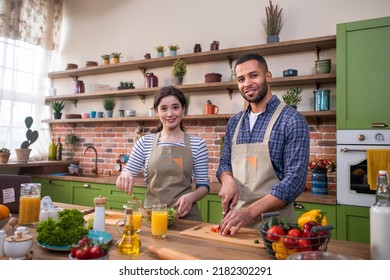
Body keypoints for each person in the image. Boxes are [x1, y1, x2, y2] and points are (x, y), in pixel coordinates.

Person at [217, 53, 310, 235]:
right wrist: (227, 180)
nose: (247, 83)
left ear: (268, 77)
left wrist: (250, 212)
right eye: (241, 79)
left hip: (276, 228)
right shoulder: (234, 123)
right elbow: (225, 163)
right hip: (235, 225)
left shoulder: (292, 120)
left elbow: (295, 181)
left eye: (253, 75)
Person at [116, 86, 209, 221]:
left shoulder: (198, 144)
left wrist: (192, 197)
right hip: (152, 216)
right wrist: (125, 175)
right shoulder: (144, 143)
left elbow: (203, 185)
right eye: (164, 108)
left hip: (186, 216)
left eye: (175, 107)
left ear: (183, 109)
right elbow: (124, 177)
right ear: (157, 111)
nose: (170, 114)